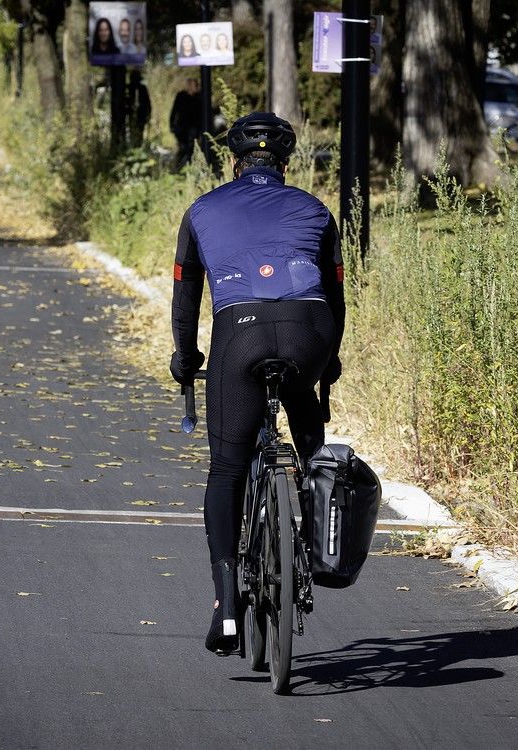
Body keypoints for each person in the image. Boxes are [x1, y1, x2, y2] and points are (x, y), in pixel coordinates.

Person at [169, 112, 345, 655]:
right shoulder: (316, 210)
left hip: (239, 334)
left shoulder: (201, 210)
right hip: (307, 331)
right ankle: (319, 546)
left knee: (226, 467)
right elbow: (337, 297)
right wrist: (328, 359)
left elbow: (186, 294)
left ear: (234, 161)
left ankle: (226, 606)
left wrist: (185, 355)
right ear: (286, 163)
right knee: (312, 443)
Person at [169, 78, 203, 169]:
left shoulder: (199, 97)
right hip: (182, 127)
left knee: (191, 147)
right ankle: (179, 166)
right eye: (193, 85)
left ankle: (188, 165)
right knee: (183, 147)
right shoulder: (181, 96)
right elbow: (174, 111)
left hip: (194, 127)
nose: (196, 87)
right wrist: (171, 124)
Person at [126, 70, 151, 147]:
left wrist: (148, 115)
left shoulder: (143, 88)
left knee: (140, 132)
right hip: (131, 114)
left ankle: (138, 147)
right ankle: (133, 146)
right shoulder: (128, 88)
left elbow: (147, 103)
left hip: (141, 115)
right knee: (132, 131)